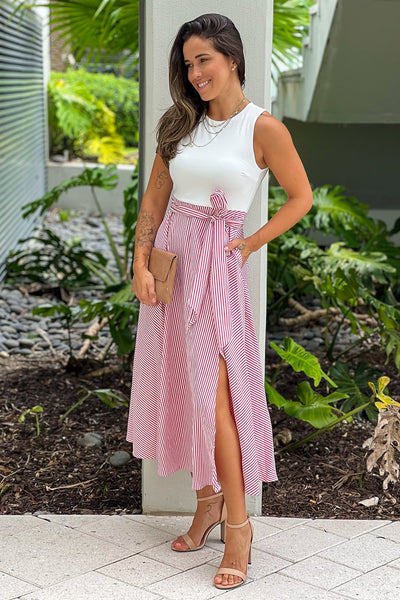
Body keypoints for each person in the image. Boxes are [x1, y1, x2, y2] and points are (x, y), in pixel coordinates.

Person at [127, 13, 313, 590]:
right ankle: (206, 503)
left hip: (218, 269)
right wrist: (139, 262)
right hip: (171, 267)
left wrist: (250, 243)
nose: (195, 72)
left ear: (231, 57)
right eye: (187, 63)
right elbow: (154, 202)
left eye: (203, 59)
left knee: (218, 404)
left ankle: (239, 528)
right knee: (180, 384)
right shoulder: (178, 124)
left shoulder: (264, 128)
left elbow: (301, 197)